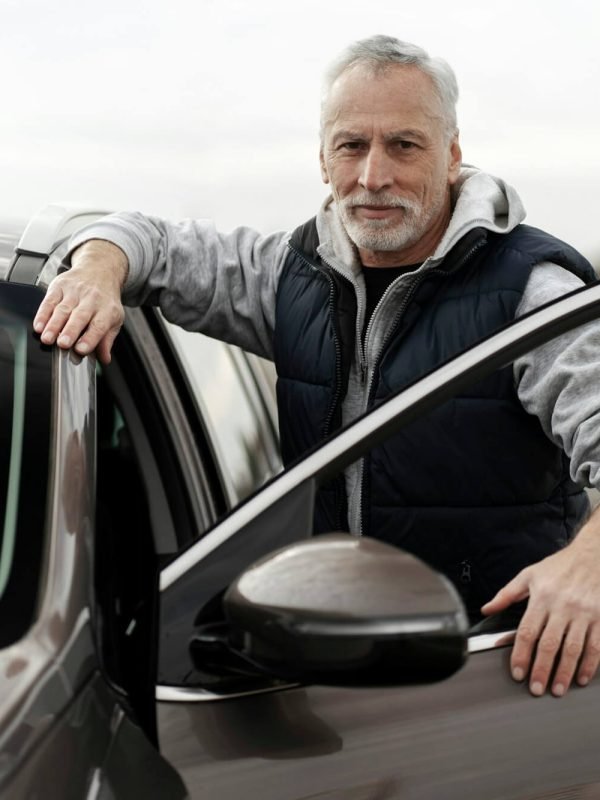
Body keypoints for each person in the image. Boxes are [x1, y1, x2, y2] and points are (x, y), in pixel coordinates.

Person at [33, 35, 600, 698]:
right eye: (352, 146)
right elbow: (146, 237)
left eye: (404, 145)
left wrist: (589, 563)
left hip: (501, 676)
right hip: (331, 688)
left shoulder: (533, 293)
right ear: (323, 158)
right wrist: (98, 269)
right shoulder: (289, 276)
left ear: (451, 156)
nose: (372, 177)